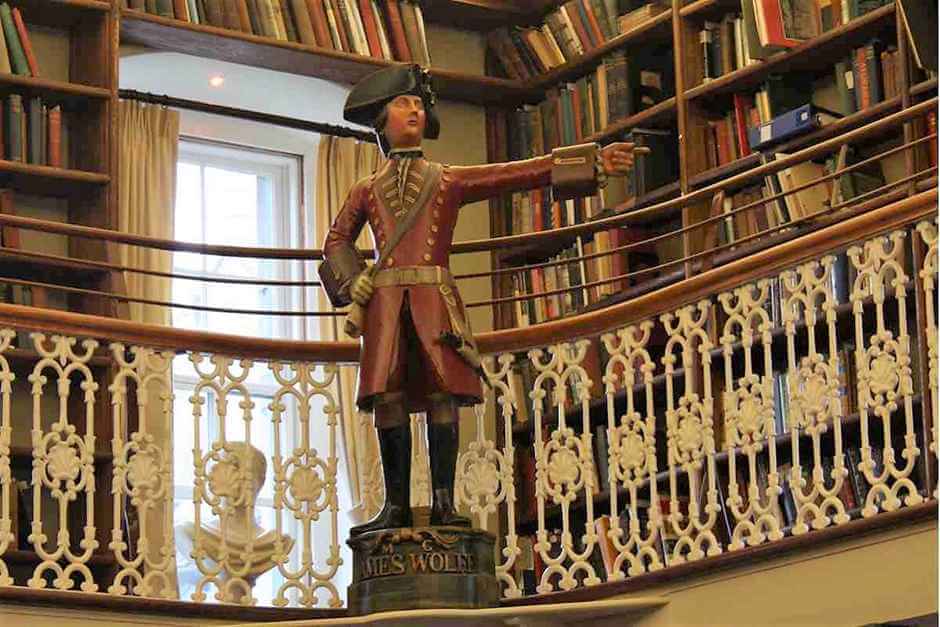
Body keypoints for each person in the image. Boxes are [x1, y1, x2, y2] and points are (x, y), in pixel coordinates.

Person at [320, 64, 640, 537]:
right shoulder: (365, 189)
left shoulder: (446, 179)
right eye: (402, 104)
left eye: (418, 104)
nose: (414, 111)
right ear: (381, 121)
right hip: (385, 307)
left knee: (442, 395)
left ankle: (444, 502)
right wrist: (353, 283)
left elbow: (514, 174)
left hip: (434, 302)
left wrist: (589, 162)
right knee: (387, 397)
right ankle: (395, 506)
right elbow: (335, 242)